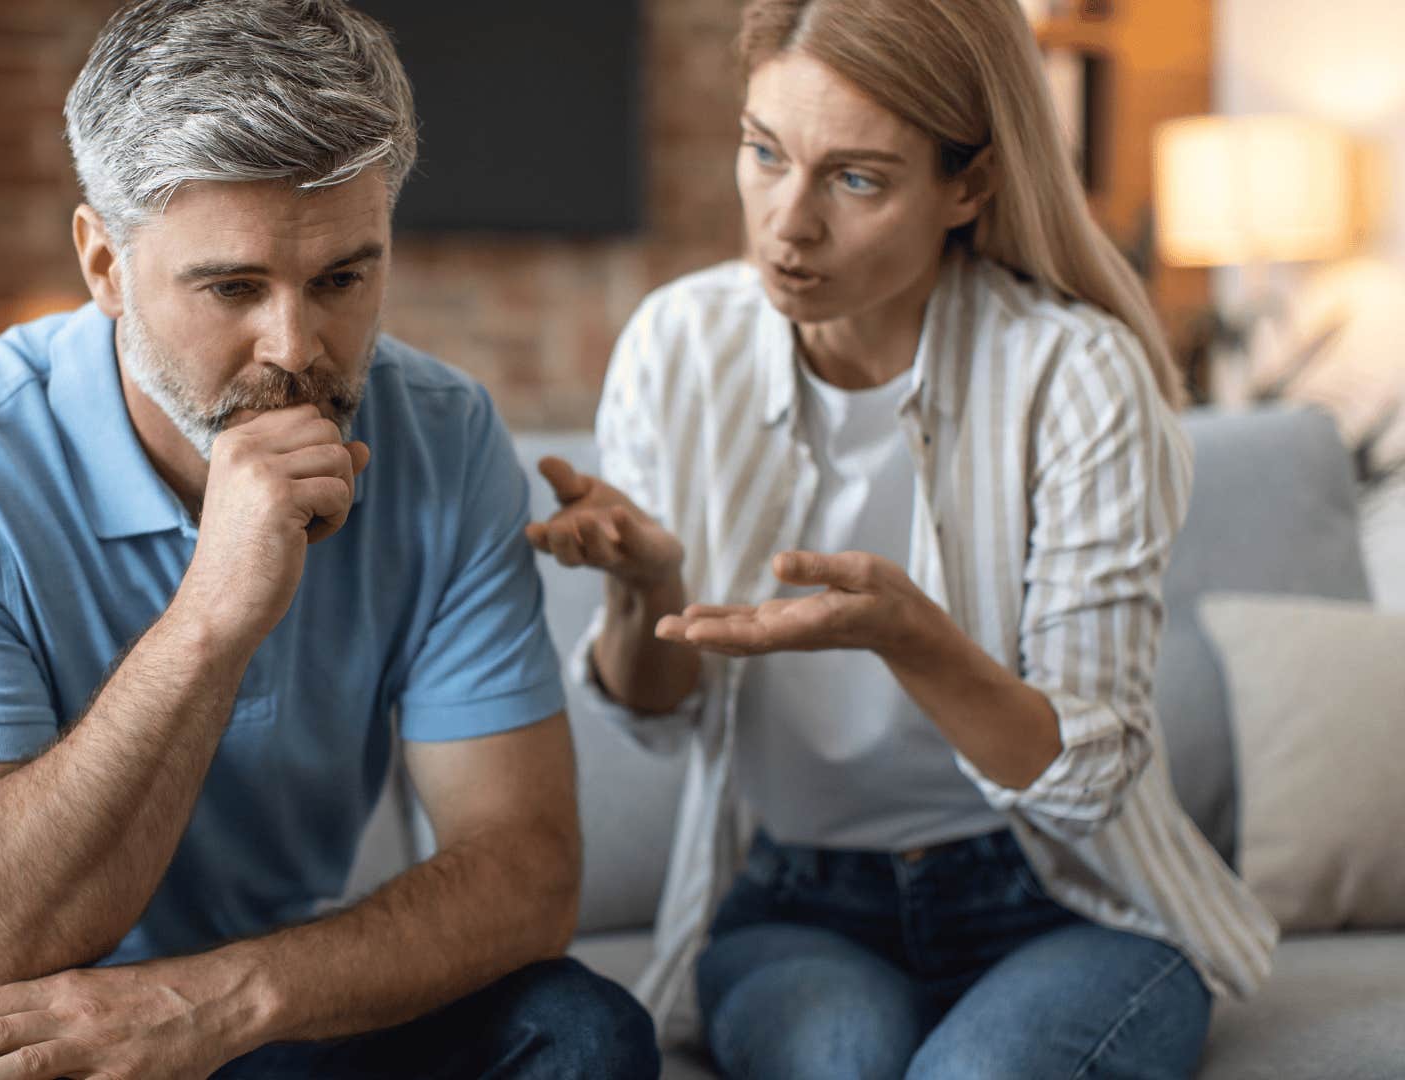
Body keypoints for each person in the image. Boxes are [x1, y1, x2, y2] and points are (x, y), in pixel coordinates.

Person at [0, 2, 660, 1078]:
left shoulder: (446, 435)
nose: (297, 349)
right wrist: (212, 616)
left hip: (240, 992)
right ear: (104, 262)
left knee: (584, 1036)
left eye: (343, 279)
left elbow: (525, 873)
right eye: (233, 287)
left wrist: (223, 1001)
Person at [526, 0, 1277, 1076]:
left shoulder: (1074, 374)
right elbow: (657, 723)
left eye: (857, 178)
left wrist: (916, 639)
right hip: (799, 902)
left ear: (967, 186)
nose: (788, 223)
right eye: (764, 153)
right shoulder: (678, 347)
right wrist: (650, 593)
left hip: (1061, 897)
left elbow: (1093, 775)